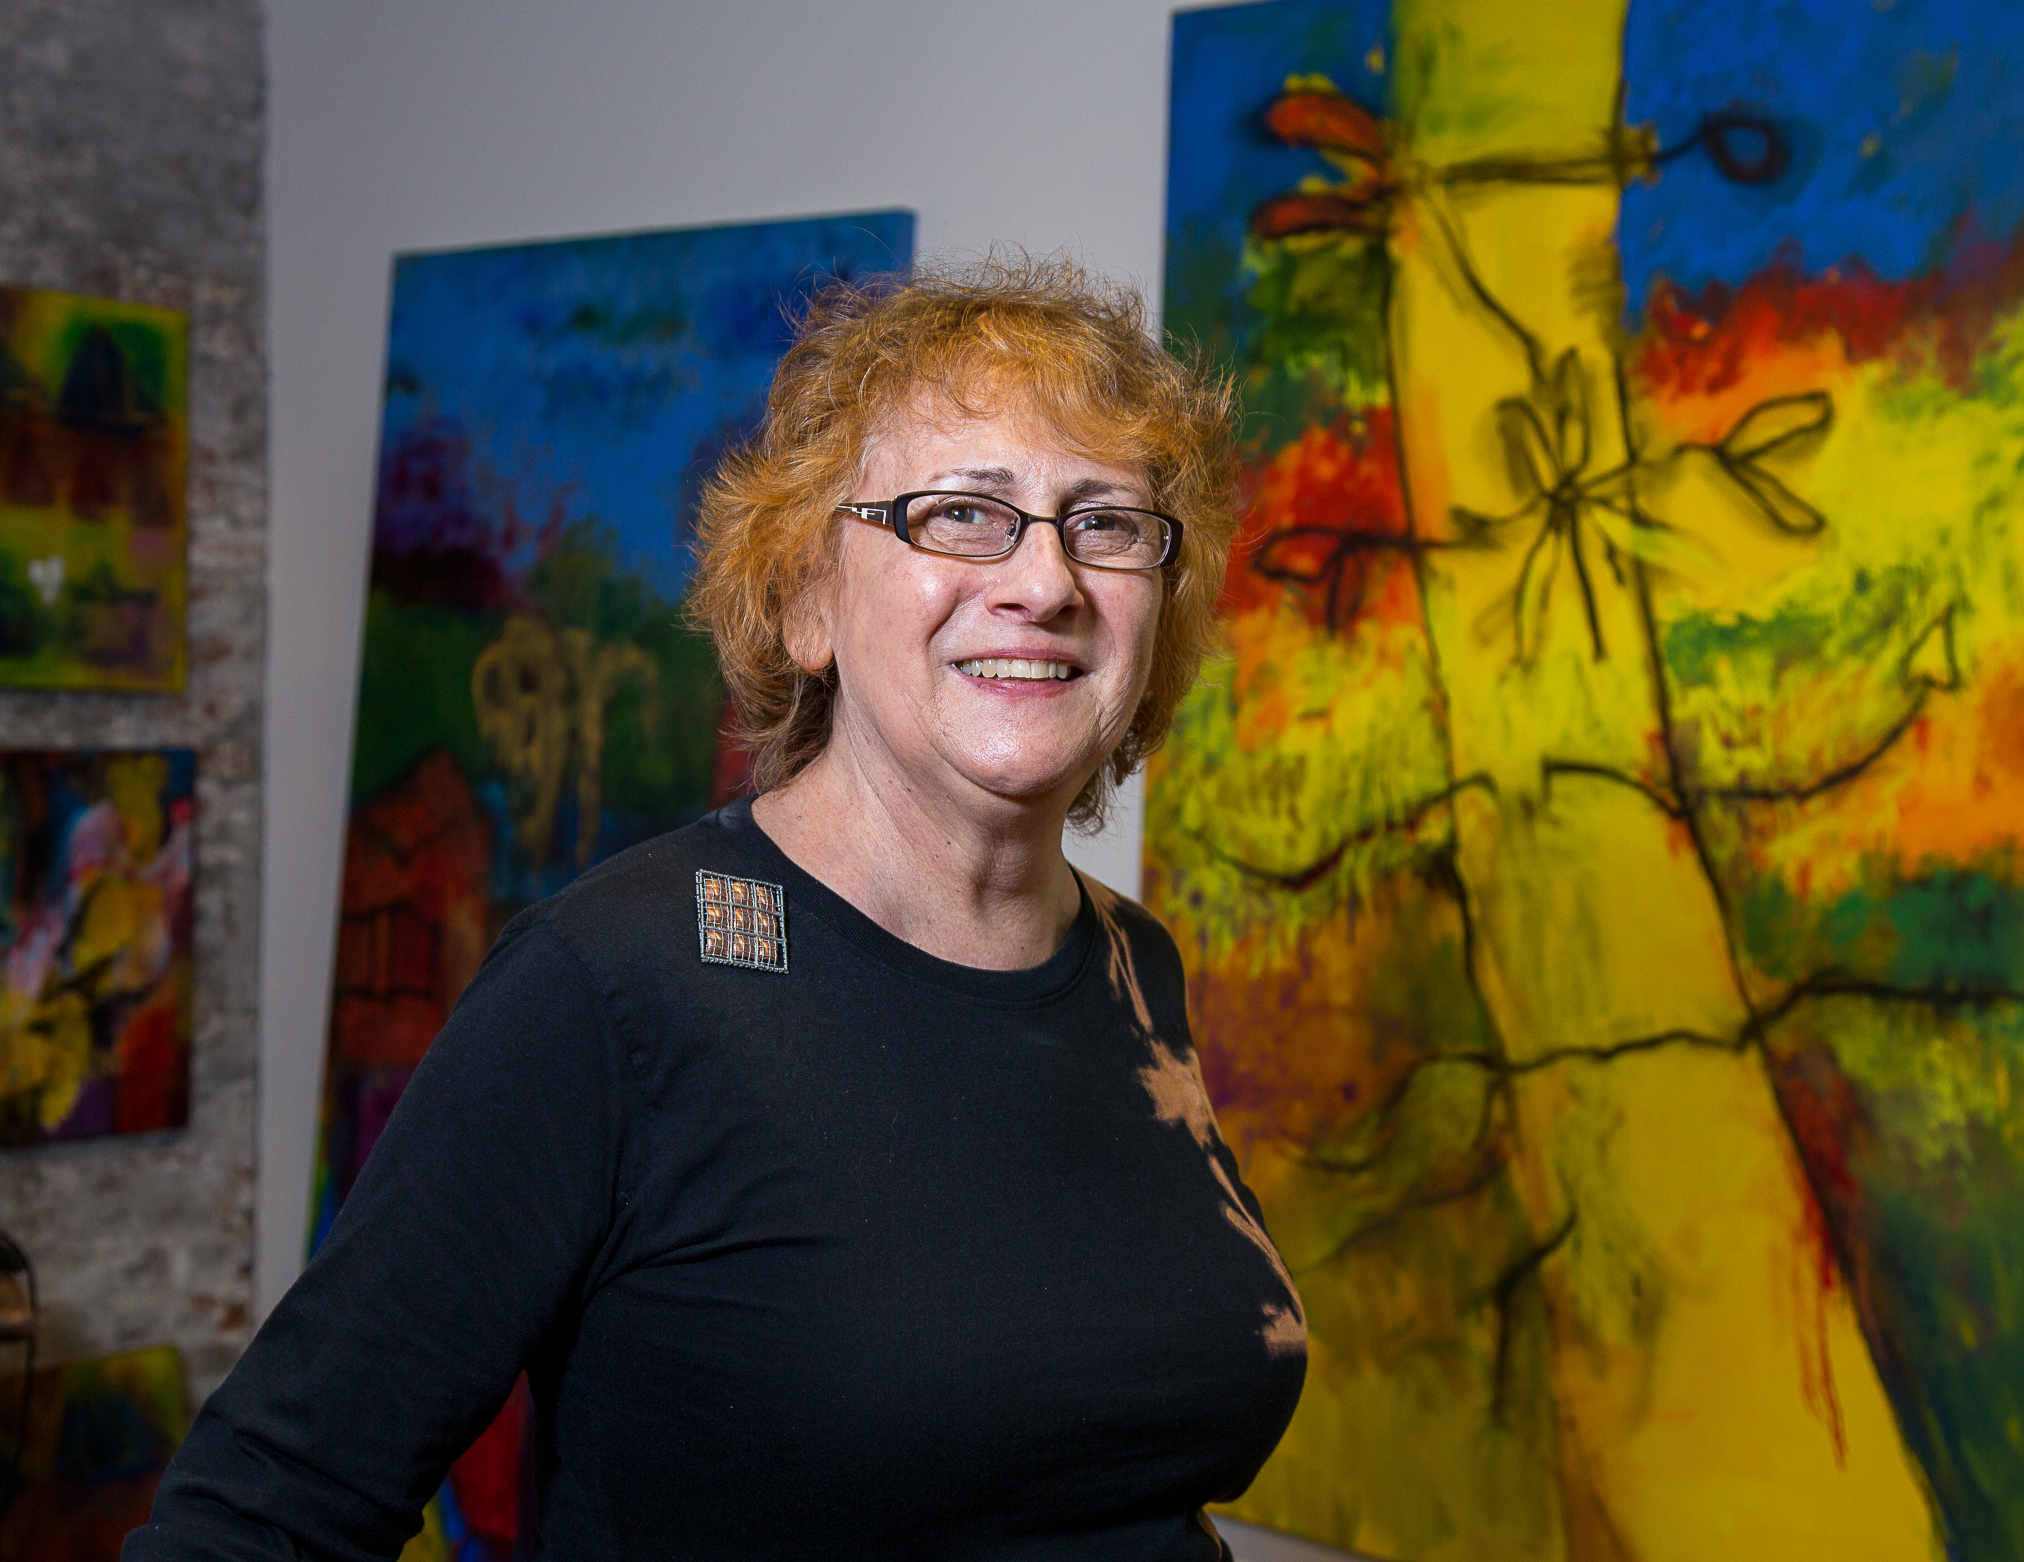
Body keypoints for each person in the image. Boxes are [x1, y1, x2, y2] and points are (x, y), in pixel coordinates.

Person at [126, 254, 1306, 1562]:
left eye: (1105, 521)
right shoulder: (616, 986)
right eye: (962, 514)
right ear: (807, 598)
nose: (1044, 582)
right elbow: (255, 1518)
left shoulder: (1131, 967)